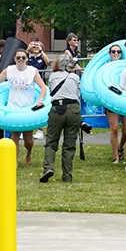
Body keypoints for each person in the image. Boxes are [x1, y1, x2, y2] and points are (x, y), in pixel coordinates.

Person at [0, 48, 48, 163]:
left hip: (27, 109)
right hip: (13, 108)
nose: (20, 60)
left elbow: (43, 87)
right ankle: (14, 162)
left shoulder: (32, 71)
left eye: (23, 57)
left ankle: (28, 153)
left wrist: (40, 100)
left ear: (26, 59)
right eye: (18, 57)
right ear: (14, 58)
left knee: (28, 140)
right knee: (14, 138)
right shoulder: (9, 70)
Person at [40, 53, 82, 183]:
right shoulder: (75, 77)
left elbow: (52, 90)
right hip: (73, 109)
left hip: (57, 109)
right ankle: (67, 175)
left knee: (51, 142)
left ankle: (48, 168)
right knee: (69, 144)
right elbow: (77, 94)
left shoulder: (53, 76)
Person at [104, 43, 126, 164]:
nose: (116, 53)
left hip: (124, 100)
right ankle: (115, 157)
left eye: (118, 52)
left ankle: (120, 147)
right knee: (114, 129)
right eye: (113, 52)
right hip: (111, 100)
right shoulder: (105, 67)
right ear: (110, 54)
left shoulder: (125, 66)